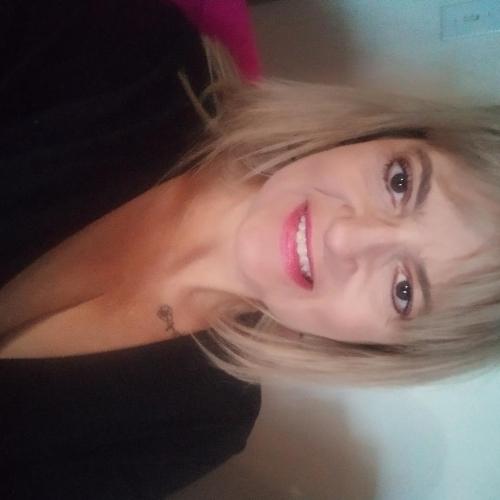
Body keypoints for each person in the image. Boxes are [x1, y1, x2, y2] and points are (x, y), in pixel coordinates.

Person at [1, 0, 500, 499]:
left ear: (376, 347)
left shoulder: (204, 423)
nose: (345, 237)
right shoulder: (138, 58)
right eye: (399, 182)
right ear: (376, 136)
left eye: (403, 290)